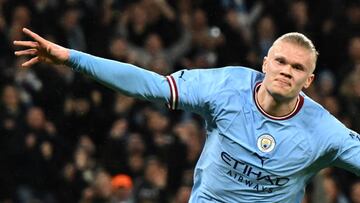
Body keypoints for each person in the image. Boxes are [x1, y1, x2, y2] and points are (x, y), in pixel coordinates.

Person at [13, 28, 360, 202]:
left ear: (309, 81)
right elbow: (147, 85)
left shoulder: (323, 131)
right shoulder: (224, 87)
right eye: (280, 61)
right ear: (265, 63)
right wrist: (71, 57)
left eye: (297, 67)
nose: (286, 71)